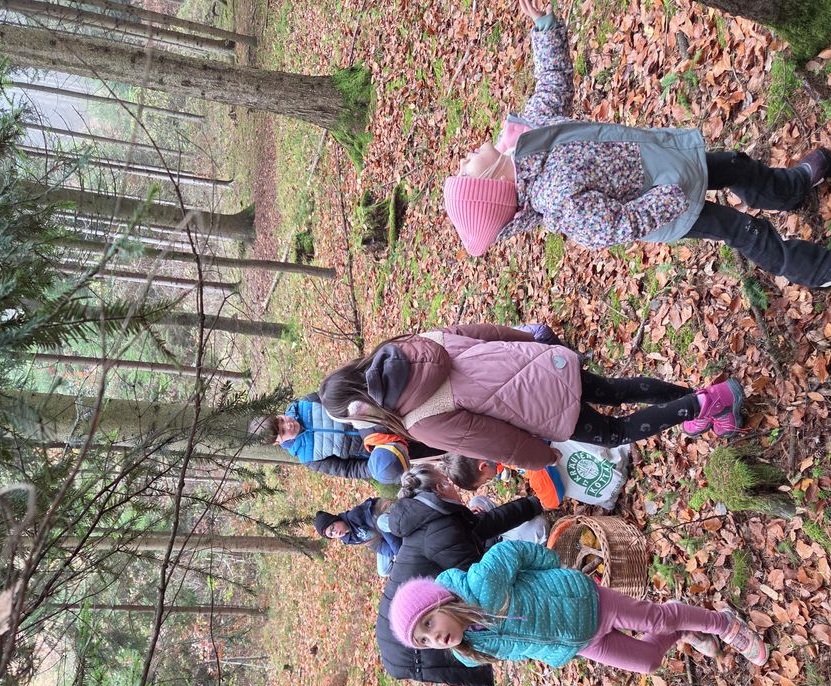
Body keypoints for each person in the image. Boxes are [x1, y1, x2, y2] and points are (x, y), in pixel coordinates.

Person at [442, 0, 831, 290]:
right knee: (744, 230)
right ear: (493, 186)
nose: (463, 161)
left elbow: (551, 87)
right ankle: (817, 270)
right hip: (667, 203)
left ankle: (789, 188)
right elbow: (613, 227)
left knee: (736, 165)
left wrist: (544, 29)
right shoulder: (555, 199)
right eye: (465, 173)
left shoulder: (527, 138)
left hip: (664, 160)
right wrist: (668, 198)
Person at [318, 323, 745, 474]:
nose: (360, 427)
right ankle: (699, 401)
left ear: (360, 408)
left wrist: (542, 459)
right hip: (543, 364)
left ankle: (707, 402)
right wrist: (531, 344)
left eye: (353, 421)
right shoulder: (408, 346)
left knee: (615, 433)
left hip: (541, 408)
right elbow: (483, 332)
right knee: (617, 389)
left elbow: (494, 441)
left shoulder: (420, 420)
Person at [389, 540, 768, 674]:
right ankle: (683, 629)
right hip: (580, 642)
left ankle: (724, 624)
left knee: (657, 618)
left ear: (439, 602)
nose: (434, 638)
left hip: (586, 602)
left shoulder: (481, 585)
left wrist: (552, 568)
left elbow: (511, 550)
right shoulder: (470, 652)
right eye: (424, 641)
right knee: (649, 662)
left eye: (428, 623)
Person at [377, 463, 546, 686]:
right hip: (414, 650)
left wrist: (534, 503)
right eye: (448, 481)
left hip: (412, 638)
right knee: (536, 531)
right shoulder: (440, 528)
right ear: (441, 487)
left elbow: (483, 527)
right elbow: (482, 582)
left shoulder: (431, 518)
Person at [250, 391, 437, 484]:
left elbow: (342, 397)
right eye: (283, 431)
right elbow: (348, 469)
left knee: (430, 424)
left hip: (385, 420)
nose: (288, 424)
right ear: (278, 442)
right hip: (385, 449)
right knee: (433, 448)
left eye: (281, 420)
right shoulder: (309, 457)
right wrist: (375, 466)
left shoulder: (307, 403)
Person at [314, 497, 401, 576]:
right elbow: (374, 544)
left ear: (335, 520)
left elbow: (376, 518)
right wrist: (392, 553)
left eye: (332, 528)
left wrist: (398, 552)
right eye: (331, 534)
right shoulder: (349, 539)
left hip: (388, 512)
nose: (335, 533)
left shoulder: (354, 516)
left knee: (381, 522)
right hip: (384, 535)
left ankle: (404, 538)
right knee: (383, 571)